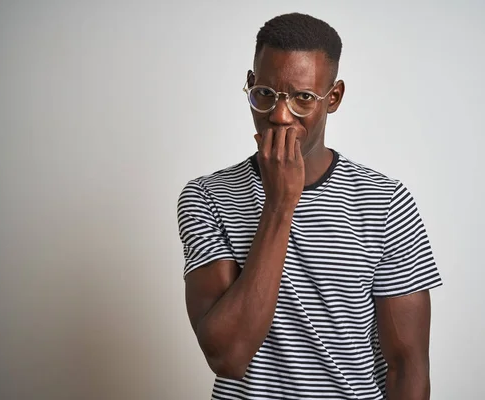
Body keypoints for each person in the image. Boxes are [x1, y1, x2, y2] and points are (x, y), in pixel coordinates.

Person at [177, 12, 442, 400]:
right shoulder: (207, 197)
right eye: (265, 93)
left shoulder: (385, 201)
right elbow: (228, 355)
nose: (279, 115)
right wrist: (280, 205)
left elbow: (408, 365)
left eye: (303, 98)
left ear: (332, 98)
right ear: (249, 85)